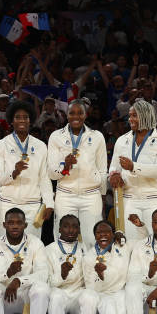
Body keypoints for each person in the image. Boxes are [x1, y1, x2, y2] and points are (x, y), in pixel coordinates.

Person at [108, 100, 157, 242]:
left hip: (156, 197)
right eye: (130, 116)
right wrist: (113, 175)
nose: (130, 119)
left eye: (134, 116)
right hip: (130, 197)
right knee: (131, 242)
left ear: (146, 116)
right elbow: (114, 166)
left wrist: (133, 167)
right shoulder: (122, 140)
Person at [48, 100, 107, 244]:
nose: (76, 116)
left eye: (80, 113)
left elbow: (102, 169)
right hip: (66, 195)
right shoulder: (56, 137)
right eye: (72, 113)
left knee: (91, 240)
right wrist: (65, 168)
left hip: (91, 195)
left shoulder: (97, 136)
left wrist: (103, 194)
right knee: (64, 240)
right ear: (66, 115)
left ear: (85, 115)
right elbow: (51, 173)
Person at [0, 101, 54, 238]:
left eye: (25, 117)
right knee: (5, 247)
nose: (22, 120)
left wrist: (49, 203)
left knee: (31, 248)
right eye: (17, 117)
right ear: (11, 121)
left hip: (32, 206)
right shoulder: (1, 145)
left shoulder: (40, 146)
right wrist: (13, 173)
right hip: (7, 204)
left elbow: (44, 178)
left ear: (30, 121)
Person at [46, 215, 96, 314]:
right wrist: (61, 275)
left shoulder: (85, 248)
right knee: (55, 296)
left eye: (75, 226)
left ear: (79, 229)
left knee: (91, 297)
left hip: (78, 293)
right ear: (59, 229)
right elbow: (47, 282)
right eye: (66, 226)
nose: (71, 230)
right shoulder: (50, 249)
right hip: (59, 291)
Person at [80, 220, 130, 314]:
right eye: (99, 233)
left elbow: (140, 241)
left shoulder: (122, 246)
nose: (103, 235)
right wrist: (100, 275)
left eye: (107, 232)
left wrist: (123, 234)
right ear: (94, 236)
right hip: (102, 293)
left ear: (113, 234)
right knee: (108, 302)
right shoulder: (89, 257)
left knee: (122, 298)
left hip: (120, 290)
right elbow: (91, 287)